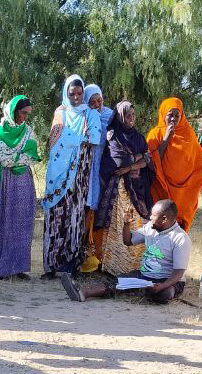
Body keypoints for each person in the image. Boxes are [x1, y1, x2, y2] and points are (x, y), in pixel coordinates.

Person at [66, 199, 190, 305]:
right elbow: (128, 241)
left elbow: (178, 273)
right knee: (117, 281)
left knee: (165, 294)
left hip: (168, 280)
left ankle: (145, 290)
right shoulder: (150, 228)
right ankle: (83, 292)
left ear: (164, 219)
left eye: (153, 216)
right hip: (145, 276)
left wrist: (163, 285)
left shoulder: (180, 238)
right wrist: (126, 224)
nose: (150, 218)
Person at [42, 74, 100, 288]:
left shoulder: (90, 114)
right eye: (71, 93)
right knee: (56, 216)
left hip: (80, 174)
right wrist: (78, 139)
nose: (76, 97)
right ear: (66, 94)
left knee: (75, 218)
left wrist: (72, 139)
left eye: (79, 93)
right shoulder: (60, 112)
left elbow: (94, 137)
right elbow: (55, 138)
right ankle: (50, 266)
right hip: (58, 174)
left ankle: (70, 266)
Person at [0, 95, 39, 280]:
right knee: (3, 222)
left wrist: (16, 158)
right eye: (22, 113)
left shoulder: (29, 131)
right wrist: (19, 157)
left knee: (22, 224)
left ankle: (19, 267)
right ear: (13, 111)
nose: (25, 117)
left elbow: (32, 155)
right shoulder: (3, 129)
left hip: (23, 182)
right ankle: (2, 266)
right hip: (5, 183)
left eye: (28, 114)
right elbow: (2, 159)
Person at [95, 101, 155, 277]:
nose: (131, 119)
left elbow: (148, 160)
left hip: (138, 187)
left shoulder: (138, 137)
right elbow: (118, 160)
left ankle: (136, 265)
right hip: (120, 190)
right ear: (120, 117)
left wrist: (130, 166)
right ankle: (115, 267)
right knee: (120, 224)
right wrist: (137, 160)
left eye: (133, 116)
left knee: (140, 225)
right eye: (127, 116)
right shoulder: (113, 135)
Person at [145, 97, 202, 231]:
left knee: (177, 231)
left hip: (184, 193)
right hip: (161, 188)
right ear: (163, 115)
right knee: (159, 227)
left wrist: (191, 186)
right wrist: (166, 138)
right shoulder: (155, 134)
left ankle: (176, 251)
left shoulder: (189, 135)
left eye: (177, 115)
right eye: (170, 115)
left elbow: (198, 163)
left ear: (182, 116)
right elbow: (150, 161)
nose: (173, 119)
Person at [80, 83, 113, 273]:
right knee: (86, 211)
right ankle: (85, 256)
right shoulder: (83, 116)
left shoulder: (109, 116)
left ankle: (100, 257)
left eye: (99, 100)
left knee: (101, 210)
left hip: (103, 169)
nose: (97, 104)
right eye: (92, 102)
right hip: (86, 169)